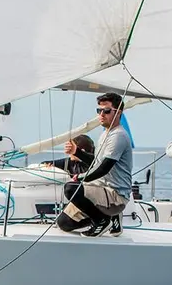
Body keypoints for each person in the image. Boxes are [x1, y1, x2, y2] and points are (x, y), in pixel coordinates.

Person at [57, 92, 133, 237]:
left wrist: (80, 178)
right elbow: (96, 163)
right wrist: (77, 152)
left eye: (106, 111)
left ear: (118, 113)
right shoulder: (105, 134)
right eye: (99, 111)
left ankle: (102, 220)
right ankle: (110, 218)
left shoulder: (118, 136)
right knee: (63, 223)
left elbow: (103, 168)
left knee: (71, 188)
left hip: (115, 195)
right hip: (100, 189)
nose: (101, 114)